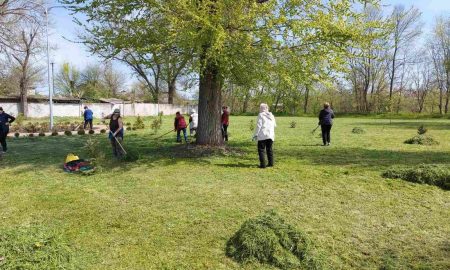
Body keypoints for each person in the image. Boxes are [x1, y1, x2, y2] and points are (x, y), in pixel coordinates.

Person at [253, 103, 276, 169]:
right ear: (267, 108)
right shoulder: (271, 115)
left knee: (261, 150)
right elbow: (274, 125)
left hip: (262, 135)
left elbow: (258, 126)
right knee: (269, 149)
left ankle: (263, 165)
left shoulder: (260, 115)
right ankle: (271, 163)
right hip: (270, 135)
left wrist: (255, 134)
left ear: (261, 108)